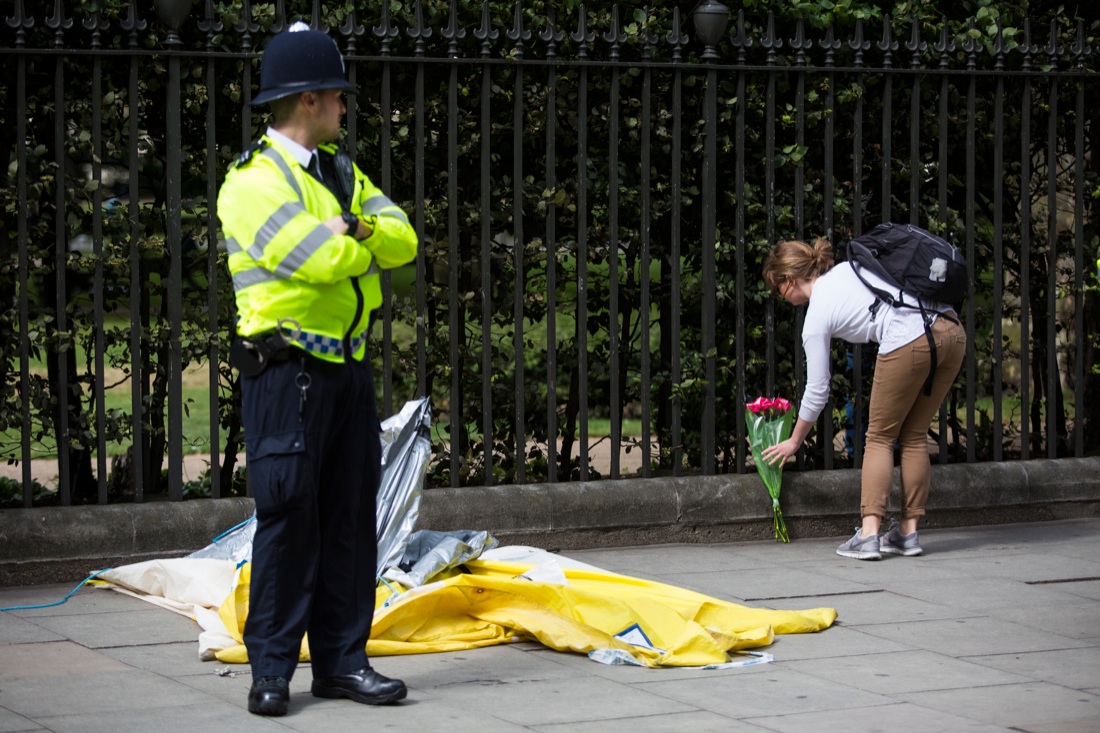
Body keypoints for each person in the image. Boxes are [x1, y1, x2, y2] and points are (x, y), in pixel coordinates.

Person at [217, 23, 418, 717]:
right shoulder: (249, 183)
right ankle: (270, 669)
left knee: (349, 523)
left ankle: (342, 662)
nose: (344, 107)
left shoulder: (340, 172)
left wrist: (353, 231)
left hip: (347, 374)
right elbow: (314, 259)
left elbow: (403, 241)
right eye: (338, 96)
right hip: (285, 374)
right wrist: (352, 240)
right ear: (309, 99)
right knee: (287, 517)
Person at [761, 237, 966, 560]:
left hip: (907, 337)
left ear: (789, 279)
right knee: (913, 435)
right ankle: (907, 534)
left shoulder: (816, 316)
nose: (781, 297)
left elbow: (817, 390)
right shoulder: (851, 269)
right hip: (951, 331)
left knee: (880, 438)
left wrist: (794, 441)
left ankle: (869, 535)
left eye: (778, 289)